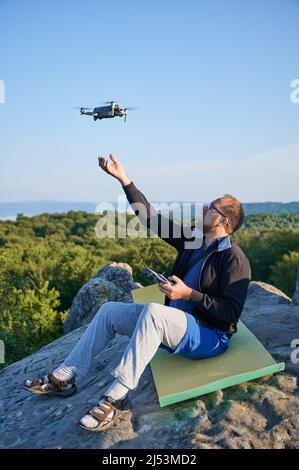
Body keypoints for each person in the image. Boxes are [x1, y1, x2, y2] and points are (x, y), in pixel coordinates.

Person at [24, 154, 251, 432]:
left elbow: (230, 314)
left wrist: (188, 294)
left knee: (155, 312)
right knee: (108, 312)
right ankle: (66, 375)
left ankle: (116, 396)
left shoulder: (234, 259)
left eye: (211, 207)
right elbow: (152, 219)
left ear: (224, 221)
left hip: (208, 336)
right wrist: (124, 179)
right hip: (174, 325)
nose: (203, 208)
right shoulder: (194, 240)